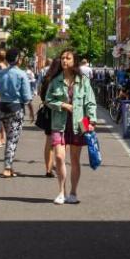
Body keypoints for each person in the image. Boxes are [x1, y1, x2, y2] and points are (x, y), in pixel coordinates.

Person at [45, 49, 97, 205]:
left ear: (74, 61)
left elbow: (90, 102)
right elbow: (48, 100)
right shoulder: (55, 81)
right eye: (62, 58)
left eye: (68, 58)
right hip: (59, 123)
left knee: (75, 159)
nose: (64, 61)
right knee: (60, 157)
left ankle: (73, 192)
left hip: (80, 123)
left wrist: (92, 122)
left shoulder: (83, 80)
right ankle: (61, 192)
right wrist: (63, 105)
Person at [0, 48, 32, 178]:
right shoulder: (21, 74)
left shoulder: (0, 74)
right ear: (18, 59)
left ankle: (10, 166)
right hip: (16, 108)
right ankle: (7, 167)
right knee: (12, 139)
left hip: (3, 107)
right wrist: (31, 111)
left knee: (9, 137)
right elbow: (26, 96)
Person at [38, 55, 65, 178]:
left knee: (49, 141)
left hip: (48, 112)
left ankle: (48, 169)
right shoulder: (60, 80)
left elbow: (42, 95)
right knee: (61, 141)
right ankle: (58, 164)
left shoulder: (47, 78)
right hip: (60, 113)